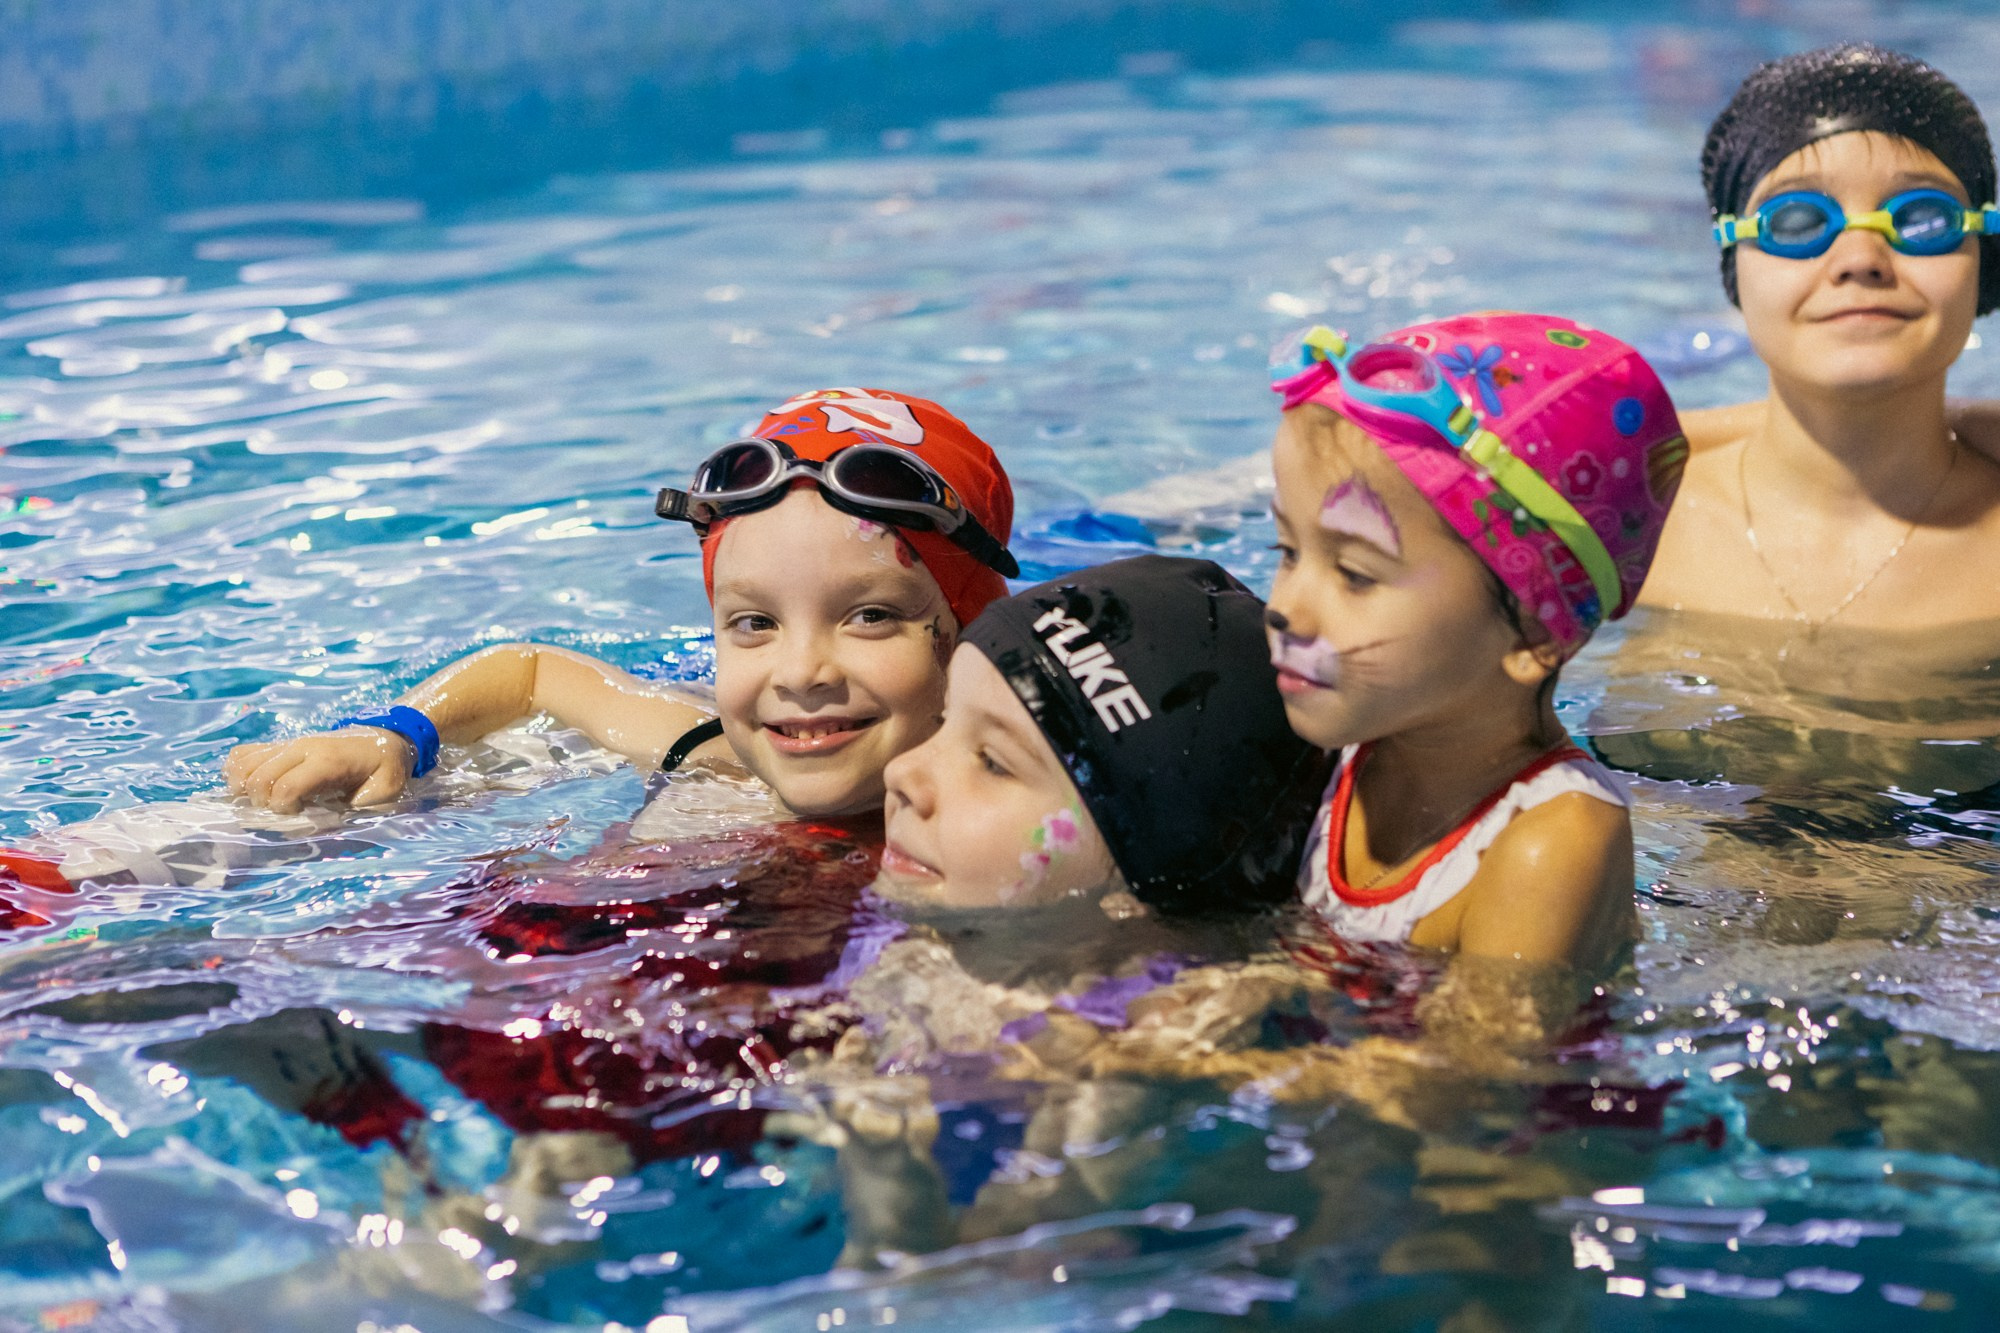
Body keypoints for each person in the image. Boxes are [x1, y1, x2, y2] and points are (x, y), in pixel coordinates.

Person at [1262, 314, 1686, 972]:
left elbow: (1473, 1067)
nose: (1284, 608)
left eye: (1355, 575)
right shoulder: (1349, 738)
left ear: (1533, 633)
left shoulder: (1551, 839)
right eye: (1287, 552)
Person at [1642, 44, 2000, 644]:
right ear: (1735, 268)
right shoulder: (1622, 522)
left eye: (1921, 219)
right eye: (1797, 222)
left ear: (1983, 261)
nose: (1859, 260)